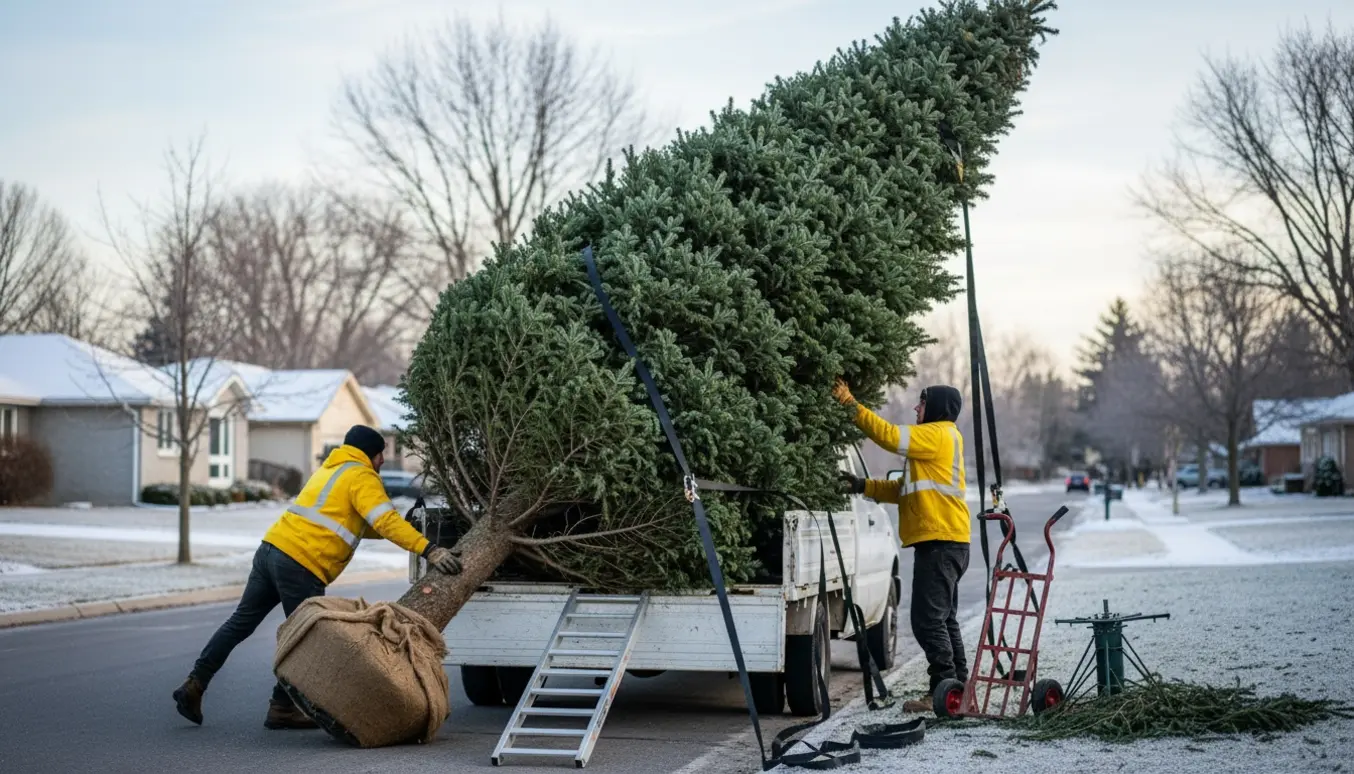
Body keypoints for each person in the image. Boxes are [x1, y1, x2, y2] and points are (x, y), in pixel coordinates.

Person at [172, 425, 464, 730]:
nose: (381, 462)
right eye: (380, 455)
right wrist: (430, 550)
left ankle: (195, 684)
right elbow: (386, 520)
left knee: (239, 623)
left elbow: (363, 525)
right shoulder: (362, 475)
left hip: (271, 551)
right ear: (370, 452)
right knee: (309, 641)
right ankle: (282, 708)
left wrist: (403, 532)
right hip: (302, 563)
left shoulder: (330, 470)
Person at [833, 379, 971, 712]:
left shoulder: (937, 434)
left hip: (940, 542)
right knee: (943, 619)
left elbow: (890, 436)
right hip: (948, 541)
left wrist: (850, 404)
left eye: (921, 403)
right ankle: (958, 688)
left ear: (935, 408)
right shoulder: (938, 440)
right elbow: (903, 491)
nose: (915, 408)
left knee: (927, 621)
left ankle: (943, 689)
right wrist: (863, 485)